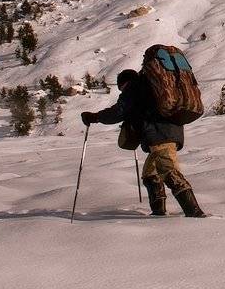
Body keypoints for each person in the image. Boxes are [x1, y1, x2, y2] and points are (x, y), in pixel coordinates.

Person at [83, 68, 206, 218]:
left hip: (159, 134)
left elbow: (118, 111)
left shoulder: (134, 88)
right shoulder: (149, 87)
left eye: (120, 87)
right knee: (150, 173)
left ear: (123, 83)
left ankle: (195, 213)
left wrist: (95, 117)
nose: (121, 90)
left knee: (169, 171)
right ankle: (158, 212)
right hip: (169, 132)